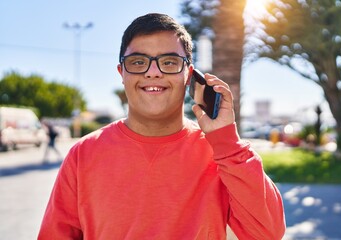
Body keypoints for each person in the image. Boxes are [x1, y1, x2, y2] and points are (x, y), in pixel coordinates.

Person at [38, 13, 285, 239]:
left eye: (168, 62)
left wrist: (227, 141)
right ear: (121, 73)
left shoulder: (222, 154)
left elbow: (267, 233)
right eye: (138, 62)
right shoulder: (83, 155)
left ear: (188, 75)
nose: (153, 72)